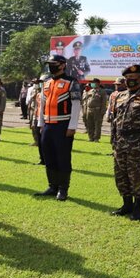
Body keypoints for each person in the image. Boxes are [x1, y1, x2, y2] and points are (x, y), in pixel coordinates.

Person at [109, 65, 140, 220]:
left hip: (138, 142)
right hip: (120, 142)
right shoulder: (120, 96)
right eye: (128, 78)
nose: (131, 80)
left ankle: (137, 208)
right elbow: (114, 120)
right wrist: (113, 139)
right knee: (121, 176)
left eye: (135, 78)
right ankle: (126, 205)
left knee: (137, 177)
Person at [34, 54, 81, 201]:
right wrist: (41, 124)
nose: (50, 66)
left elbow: (76, 105)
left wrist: (72, 126)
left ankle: (63, 188)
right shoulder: (47, 82)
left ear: (62, 65)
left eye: (53, 63)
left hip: (63, 125)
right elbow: (42, 103)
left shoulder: (71, 82)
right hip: (48, 125)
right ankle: (52, 186)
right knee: (49, 156)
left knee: (63, 157)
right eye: (49, 63)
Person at [28, 76, 46, 164]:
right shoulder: (38, 93)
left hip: (45, 119)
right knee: (39, 140)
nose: (39, 84)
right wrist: (34, 119)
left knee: (45, 140)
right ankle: (42, 159)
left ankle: (47, 159)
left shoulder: (48, 93)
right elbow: (36, 107)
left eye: (41, 82)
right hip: (37, 117)